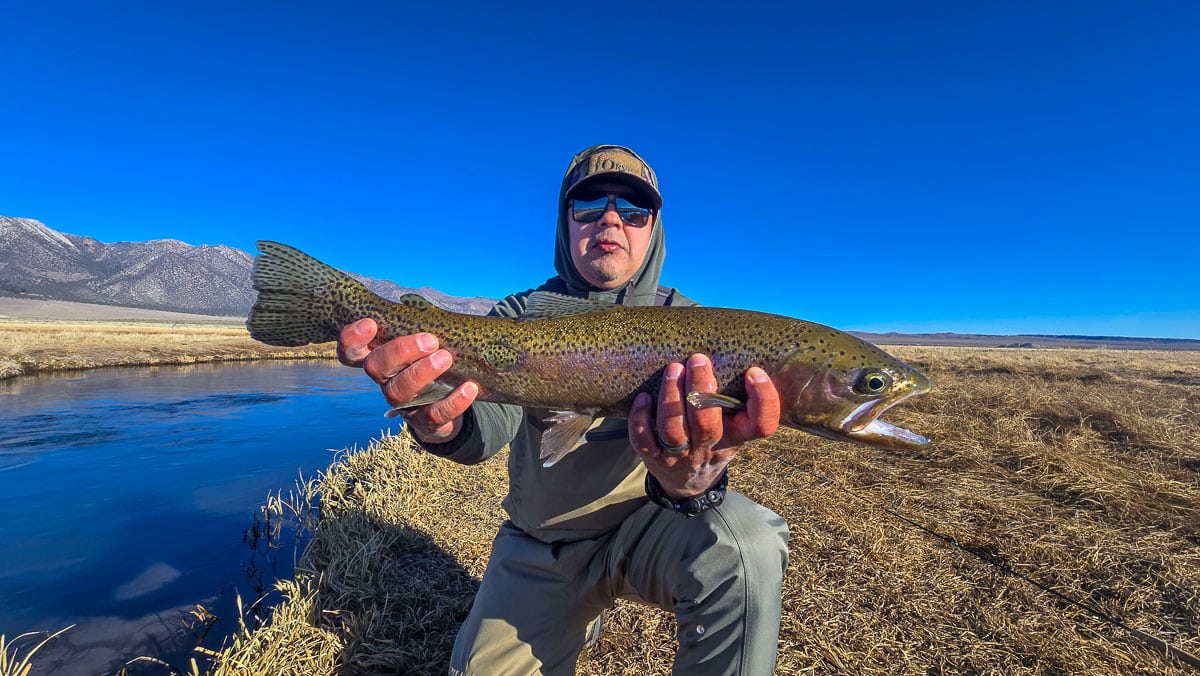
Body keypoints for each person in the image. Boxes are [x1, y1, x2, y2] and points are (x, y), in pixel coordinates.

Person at [337, 145, 790, 675]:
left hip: (650, 529)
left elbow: (705, 470)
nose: (611, 219)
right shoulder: (519, 317)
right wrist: (440, 421)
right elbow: (484, 428)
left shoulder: (693, 327)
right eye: (589, 204)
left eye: (634, 209)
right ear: (564, 222)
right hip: (539, 545)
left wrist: (694, 483)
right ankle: (569, 609)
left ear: (654, 229)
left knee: (749, 544)